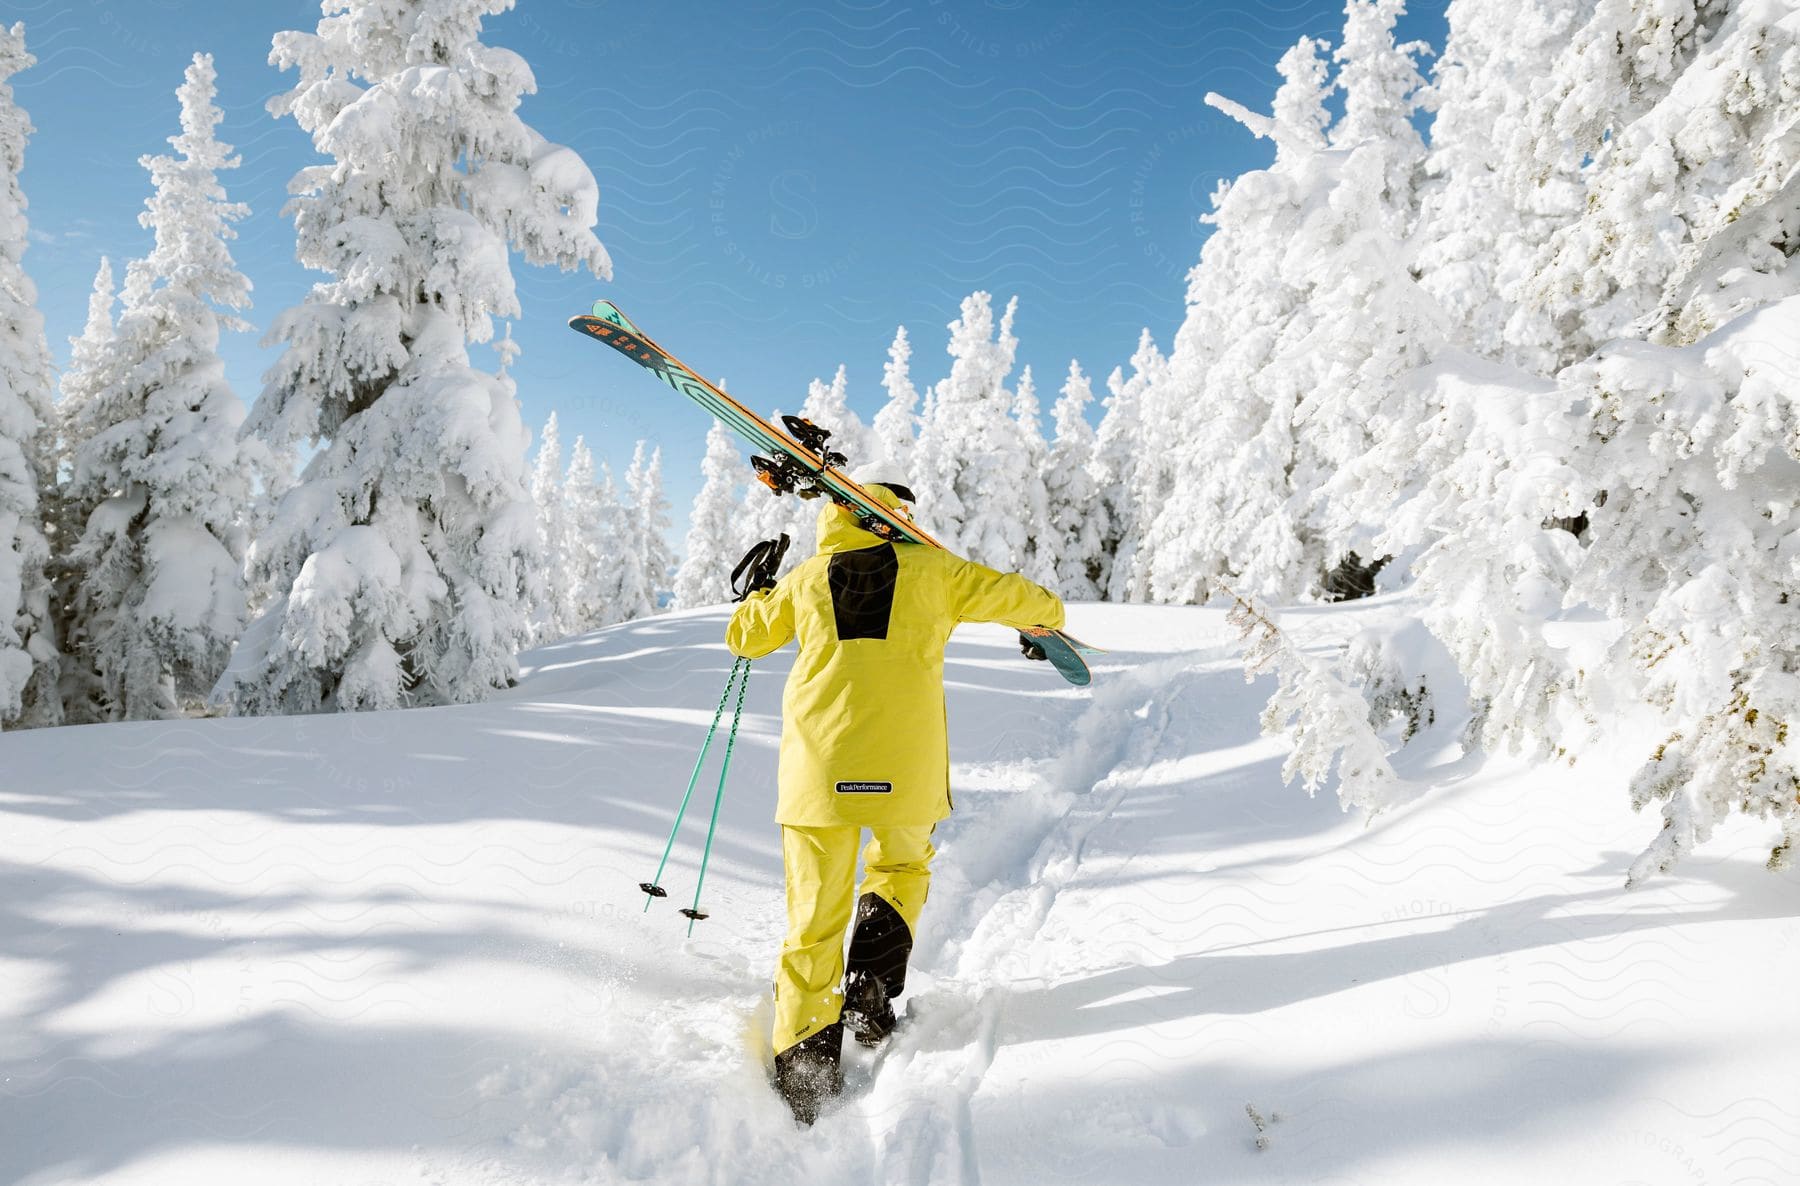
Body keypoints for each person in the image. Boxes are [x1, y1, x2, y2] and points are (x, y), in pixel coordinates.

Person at [726, 475, 1066, 1126]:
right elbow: (1034, 600)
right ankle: (871, 990)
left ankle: (804, 1074)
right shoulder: (936, 572)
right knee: (903, 869)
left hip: (817, 778)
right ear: (893, 519)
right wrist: (1044, 616)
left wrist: (757, 593)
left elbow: (746, 637)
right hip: (905, 776)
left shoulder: (804, 580)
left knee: (812, 922)